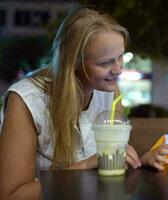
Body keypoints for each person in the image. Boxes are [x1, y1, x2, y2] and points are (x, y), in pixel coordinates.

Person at [0, 8, 142, 199]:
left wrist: (141, 160)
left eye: (120, 57)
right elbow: (11, 195)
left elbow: (113, 164)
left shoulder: (109, 91)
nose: (118, 70)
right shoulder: (27, 100)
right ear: (74, 62)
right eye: (105, 63)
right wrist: (83, 167)